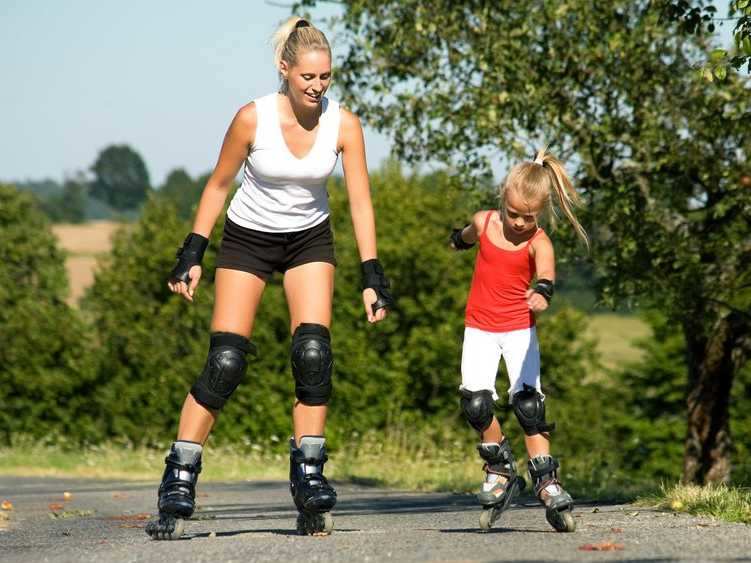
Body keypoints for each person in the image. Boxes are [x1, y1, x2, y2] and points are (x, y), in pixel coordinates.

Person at [145, 16, 393, 540]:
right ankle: (180, 473)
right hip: (247, 239)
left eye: (325, 77)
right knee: (226, 360)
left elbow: (361, 202)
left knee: (312, 353)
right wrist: (192, 252)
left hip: (310, 240)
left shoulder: (343, 125)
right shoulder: (250, 119)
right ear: (285, 69)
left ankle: (309, 474)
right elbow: (217, 185)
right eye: (308, 77)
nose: (317, 86)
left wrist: (372, 275)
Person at [449, 147, 588, 533]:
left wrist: (543, 291)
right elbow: (465, 234)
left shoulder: (538, 241)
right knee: (476, 404)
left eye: (530, 216)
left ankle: (546, 480)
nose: (521, 222)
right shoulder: (484, 222)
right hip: (478, 327)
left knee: (529, 405)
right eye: (514, 214)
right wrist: (458, 241)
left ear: (540, 212)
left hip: (518, 330)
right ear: (502, 199)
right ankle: (500, 467)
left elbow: (545, 272)